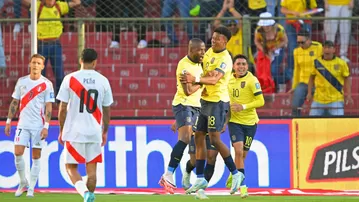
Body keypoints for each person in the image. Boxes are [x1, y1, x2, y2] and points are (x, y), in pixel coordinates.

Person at [180, 26, 243, 197]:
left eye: (217, 38)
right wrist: (196, 86)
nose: (213, 40)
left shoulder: (225, 59)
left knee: (214, 139)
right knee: (199, 135)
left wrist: (196, 80)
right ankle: (200, 177)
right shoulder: (208, 52)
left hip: (218, 103)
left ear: (225, 41)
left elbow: (214, 79)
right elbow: (205, 73)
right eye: (213, 37)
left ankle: (236, 173)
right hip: (205, 102)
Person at [57, 48, 113, 202]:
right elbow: (107, 110)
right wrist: (105, 131)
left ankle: (85, 194)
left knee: (71, 167)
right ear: (95, 62)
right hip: (94, 131)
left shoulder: (70, 79)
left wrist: (61, 129)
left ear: (80, 60)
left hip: (74, 131)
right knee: (92, 172)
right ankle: (90, 197)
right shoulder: (103, 80)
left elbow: (62, 109)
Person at [159, 38, 206, 194]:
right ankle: (168, 174)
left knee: (198, 145)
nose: (203, 53)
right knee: (185, 138)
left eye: (204, 50)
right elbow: (188, 91)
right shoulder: (184, 66)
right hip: (184, 104)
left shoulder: (201, 64)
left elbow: (199, 89)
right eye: (200, 50)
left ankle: (195, 179)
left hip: (197, 108)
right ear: (191, 49)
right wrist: (203, 82)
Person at [4, 54, 55, 197]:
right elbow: (14, 102)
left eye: (38, 63)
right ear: (29, 64)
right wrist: (9, 121)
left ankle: (31, 187)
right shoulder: (22, 82)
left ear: (43, 66)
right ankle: (22, 182)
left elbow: (49, 106)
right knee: (18, 153)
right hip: (22, 124)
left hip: (38, 125)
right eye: (33, 62)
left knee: (36, 156)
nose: (35, 65)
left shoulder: (46, 84)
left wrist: (46, 126)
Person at [224, 54, 265, 198]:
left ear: (247, 66)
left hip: (250, 123)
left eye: (243, 64)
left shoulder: (252, 81)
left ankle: (234, 173)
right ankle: (242, 188)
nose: (241, 67)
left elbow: (261, 101)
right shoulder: (228, 79)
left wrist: (244, 106)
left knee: (242, 156)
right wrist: (224, 120)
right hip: (235, 122)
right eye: (238, 64)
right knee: (239, 152)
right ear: (233, 66)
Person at [23, 0, 81, 94]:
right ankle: (41, 97)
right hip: (42, 44)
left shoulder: (59, 6)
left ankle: (60, 99)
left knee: (59, 74)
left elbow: (77, 2)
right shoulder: (38, 5)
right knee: (40, 74)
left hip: (55, 44)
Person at [307, 40, 353, 116]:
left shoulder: (341, 63)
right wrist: (309, 93)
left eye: (329, 48)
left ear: (334, 50)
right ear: (322, 49)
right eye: (325, 48)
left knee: (338, 123)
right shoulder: (316, 63)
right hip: (318, 100)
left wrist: (349, 95)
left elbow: (347, 78)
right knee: (312, 123)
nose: (327, 50)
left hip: (336, 100)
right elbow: (311, 78)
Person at [288, 29, 322, 116]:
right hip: (303, 82)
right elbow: (297, 69)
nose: (300, 45)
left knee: (318, 108)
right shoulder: (296, 51)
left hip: (317, 82)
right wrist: (294, 86)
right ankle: (297, 122)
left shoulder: (318, 47)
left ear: (309, 40)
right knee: (295, 106)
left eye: (302, 42)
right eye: (298, 42)